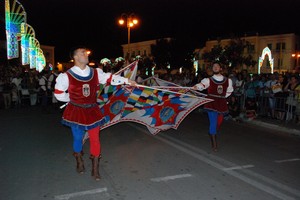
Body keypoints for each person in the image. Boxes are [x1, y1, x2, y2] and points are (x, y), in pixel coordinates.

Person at [54, 46, 136, 181]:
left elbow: (111, 79)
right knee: (78, 138)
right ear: (75, 57)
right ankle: (79, 160)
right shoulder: (66, 76)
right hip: (76, 110)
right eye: (82, 53)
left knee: (95, 138)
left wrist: (128, 81)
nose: (86, 55)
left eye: (86, 53)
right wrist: (72, 100)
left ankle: (95, 168)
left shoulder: (96, 72)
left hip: (92, 109)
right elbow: (58, 94)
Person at [193, 61, 233, 152]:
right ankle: (214, 144)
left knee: (219, 122)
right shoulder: (208, 80)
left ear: (221, 68)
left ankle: (213, 131)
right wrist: (196, 87)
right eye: (214, 66)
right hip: (211, 103)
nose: (215, 67)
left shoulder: (228, 80)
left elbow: (229, 91)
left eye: (217, 66)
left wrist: (223, 97)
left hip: (221, 103)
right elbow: (202, 85)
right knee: (213, 123)